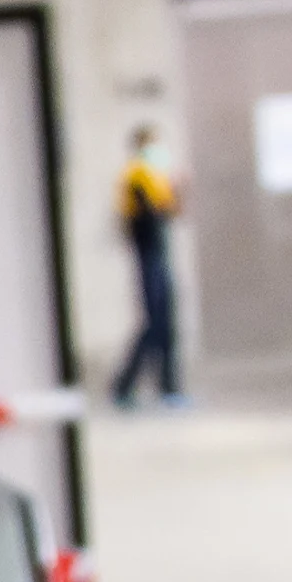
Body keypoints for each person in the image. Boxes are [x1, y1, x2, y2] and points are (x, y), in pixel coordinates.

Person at [113, 124, 184, 409]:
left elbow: (171, 210)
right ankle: (124, 385)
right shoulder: (136, 175)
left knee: (165, 324)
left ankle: (168, 387)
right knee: (155, 324)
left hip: (159, 256)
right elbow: (150, 215)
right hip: (149, 257)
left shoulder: (155, 176)